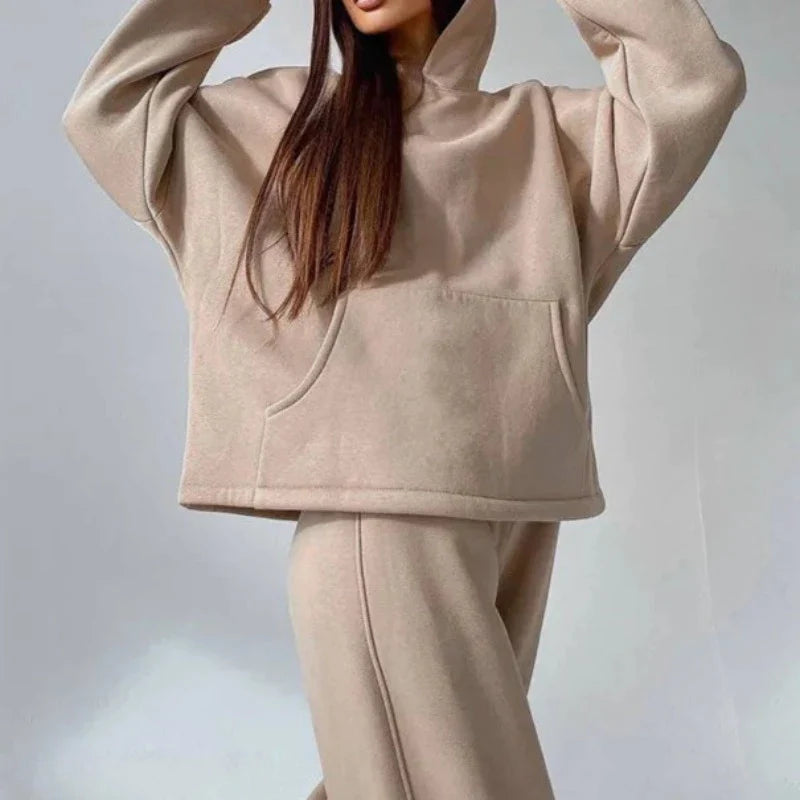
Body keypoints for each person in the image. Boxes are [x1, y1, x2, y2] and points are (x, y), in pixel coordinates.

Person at [61, 0, 746, 796]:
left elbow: (692, 81)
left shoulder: (546, 137)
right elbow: (111, 109)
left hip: (514, 511)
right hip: (375, 523)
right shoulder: (278, 124)